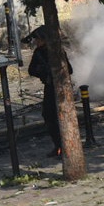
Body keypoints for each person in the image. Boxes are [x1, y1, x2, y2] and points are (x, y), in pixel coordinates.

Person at [25, 25, 72, 159]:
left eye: (39, 39)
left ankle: (66, 146)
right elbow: (31, 70)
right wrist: (44, 72)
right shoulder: (38, 53)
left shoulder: (57, 51)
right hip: (49, 86)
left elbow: (69, 69)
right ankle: (58, 145)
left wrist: (56, 71)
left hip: (61, 87)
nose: (37, 42)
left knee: (62, 116)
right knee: (48, 115)